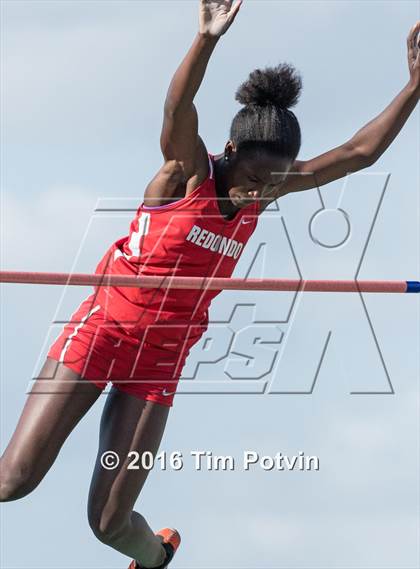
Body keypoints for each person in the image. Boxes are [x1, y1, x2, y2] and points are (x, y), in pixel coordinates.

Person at [1, 1, 419, 568]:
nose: (258, 193)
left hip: (160, 364)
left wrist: (415, 86)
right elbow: (178, 106)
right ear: (229, 153)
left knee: (110, 524)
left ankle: (155, 558)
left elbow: (358, 153)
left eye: (271, 184)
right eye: (251, 180)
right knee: (13, 481)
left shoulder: (266, 190)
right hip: (100, 335)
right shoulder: (186, 172)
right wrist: (205, 39)